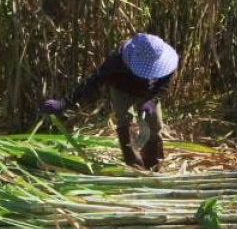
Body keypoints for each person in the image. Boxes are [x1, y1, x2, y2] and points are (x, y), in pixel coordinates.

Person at [42, 33, 178, 170]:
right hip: (122, 89)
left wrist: (152, 101)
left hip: (150, 91)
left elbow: (164, 85)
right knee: (125, 121)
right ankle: (136, 167)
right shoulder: (115, 62)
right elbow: (93, 82)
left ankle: (154, 164)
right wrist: (64, 103)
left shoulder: (166, 61)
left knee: (154, 123)